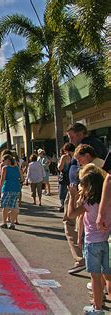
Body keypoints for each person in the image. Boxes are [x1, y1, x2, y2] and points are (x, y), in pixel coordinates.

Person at [65, 123, 107, 275]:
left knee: (75, 222)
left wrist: (74, 193)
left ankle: (82, 258)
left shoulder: (89, 149)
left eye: (72, 136)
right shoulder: (91, 147)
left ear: (81, 133)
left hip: (85, 196)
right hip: (84, 195)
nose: (71, 139)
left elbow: (100, 175)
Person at [67, 164, 110, 313]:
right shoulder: (106, 202)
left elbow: (71, 214)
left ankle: (97, 308)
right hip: (105, 241)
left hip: (92, 243)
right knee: (108, 277)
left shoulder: (89, 203)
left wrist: (72, 196)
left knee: (95, 278)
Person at [0, 154, 23, 230]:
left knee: (5, 206)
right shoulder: (17, 168)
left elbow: (2, 179)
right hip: (16, 188)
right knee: (13, 206)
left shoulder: (5, 168)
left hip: (7, 188)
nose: (2, 162)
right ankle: (12, 223)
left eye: (3, 160)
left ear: (7, 160)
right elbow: (22, 178)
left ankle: (4, 222)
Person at [57, 143, 75, 212]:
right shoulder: (76, 156)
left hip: (65, 177)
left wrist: (58, 164)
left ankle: (63, 206)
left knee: (62, 193)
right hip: (73, 176)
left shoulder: (64, 157)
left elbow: (60, 168)